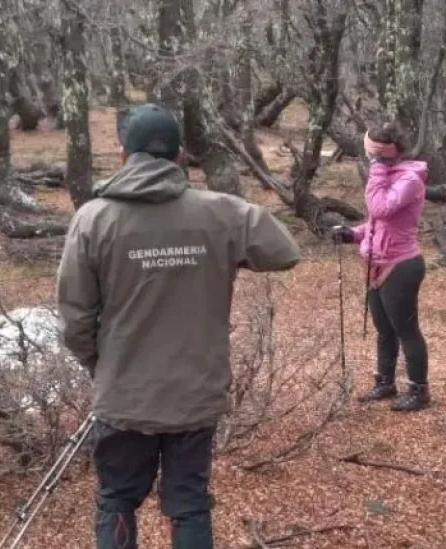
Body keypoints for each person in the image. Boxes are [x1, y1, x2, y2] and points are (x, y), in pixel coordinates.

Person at [55, 103, 301, 549]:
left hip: (125, 394)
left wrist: (105, 366)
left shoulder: (93, 219)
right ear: (180, 154)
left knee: (117, 501)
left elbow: (74, 319)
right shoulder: (222, 213)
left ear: (125, 152)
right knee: (187, 504)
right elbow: (284, 250)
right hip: (194, 392)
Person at [332, 122, 431, 412]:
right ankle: (385, 381)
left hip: (401, 265)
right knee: (384, 329)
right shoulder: (389, 174)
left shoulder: (410, 179)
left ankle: (419, 390)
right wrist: (353, 234)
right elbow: (378, 223)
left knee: (406, 330)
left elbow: (380, 208)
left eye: (371, 155)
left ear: (380, 154)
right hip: (378, 261)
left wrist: (376, 168)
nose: (368, 159)